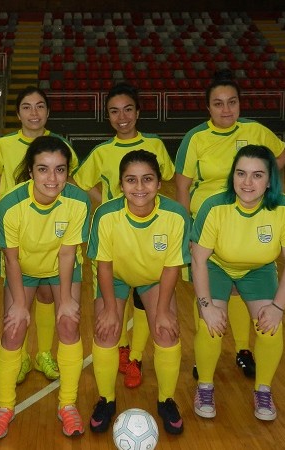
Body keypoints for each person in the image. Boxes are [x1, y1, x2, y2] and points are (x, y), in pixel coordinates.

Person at [175, 69, 285, 380]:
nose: (226, 110)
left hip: (248, 223)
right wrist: (187, 230)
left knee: (242, 289)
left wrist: (265, 179)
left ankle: (242, 350)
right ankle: (205, 354)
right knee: (210, 292)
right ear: (208, 108)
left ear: (240, 104)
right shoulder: (195, 138)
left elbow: (281, 154)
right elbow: (182, 186)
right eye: (218, 103)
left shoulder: (255, 131)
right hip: (208, 225)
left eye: (232, 102)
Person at [190, 145, 285, 422]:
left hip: (259, 269)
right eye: (240, 173)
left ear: (270, 180)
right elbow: (198, 260)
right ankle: (204, 386)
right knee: (211, 327)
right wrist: (206, 306)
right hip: (216, 266)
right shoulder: (214, 206)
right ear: (232, 176)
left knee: (269, 328)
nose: (247, 182)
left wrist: (278, 308)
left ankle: (263, 389)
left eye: (257, 175)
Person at [72, 83, 175, 389]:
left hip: (148, 236)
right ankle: (122, 351)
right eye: (114, 111)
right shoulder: (102, 152)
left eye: (128, 109)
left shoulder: (154, 145)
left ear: (138, 111)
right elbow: (79, 181)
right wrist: (104, 202)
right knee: (113, 305)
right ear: (108, 116)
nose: (122, 116)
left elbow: (167, 177)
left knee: (145, 302)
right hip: (114, 237)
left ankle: (137, 357)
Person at [0, 135, 90, 439]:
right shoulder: (10, 205)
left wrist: (68, 299)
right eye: (43, 169)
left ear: (68, 172)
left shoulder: (78, 201)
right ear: (30, 171)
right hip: (23, 268)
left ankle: (67, 404)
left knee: (69, 324)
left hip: (61, 267)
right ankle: (4, 407)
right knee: (13, 328)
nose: (52, 178)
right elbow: (12, 258)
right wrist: (19, 303)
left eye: (60, 169)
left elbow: (68, 252)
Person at [0, 86, 80, 385]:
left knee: (51, 296)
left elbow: (69, 180)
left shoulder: (60, 143)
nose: (34, 113)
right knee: (16, 303)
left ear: (48, 112)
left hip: (52, 229)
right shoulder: (4, 144)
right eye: (27, 107)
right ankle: (21, 356)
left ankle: (44, 354)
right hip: (17, 229)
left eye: (40, 107)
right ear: (18, 113)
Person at [88, 150, 189, 436]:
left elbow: (172, 268)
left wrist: (162, 312)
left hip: (155, 278)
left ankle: (166, 400)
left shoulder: (175, 215)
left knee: (167, 330)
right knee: (106, 330)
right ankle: (106, 400)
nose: (140, 187)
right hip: (116, 276)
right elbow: (104, 266)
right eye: (131, 180)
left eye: (147, 179)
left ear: (159, 183)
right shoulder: (106, 215)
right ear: (121, 185)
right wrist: (109, 309)